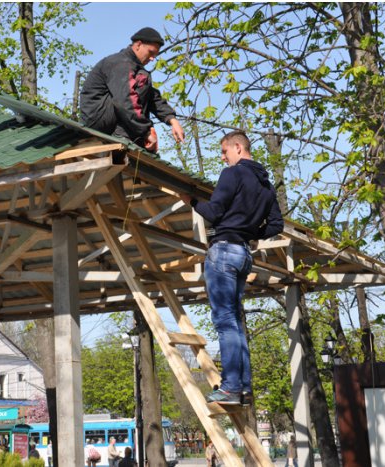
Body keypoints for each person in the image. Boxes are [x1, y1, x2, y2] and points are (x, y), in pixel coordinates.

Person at [181, 130, 284, 405]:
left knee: (225, 322)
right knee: (234, 322)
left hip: (224, 250)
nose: (223, 157)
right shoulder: (266, 185)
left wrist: (191, 201)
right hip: (244, 254)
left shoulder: (233, 174)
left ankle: (230, 387)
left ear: (238, 147)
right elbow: (276, 225)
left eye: (225, 151)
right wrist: (250, 232)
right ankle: (244, 388)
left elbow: (213, 213)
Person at [80, 27, 185, 152]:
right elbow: (125, 100)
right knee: (140, 83)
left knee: (143, 81)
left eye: (155, 55)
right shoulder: (119, 63)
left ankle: (134, 136)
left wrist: (172, 120)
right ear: (138, 45)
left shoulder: (136, 69)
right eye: (151, 52)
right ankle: (124, 135)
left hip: (112, 117)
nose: (152, 58)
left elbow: (153, 98)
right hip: (98, 121)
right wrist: (145, 131)